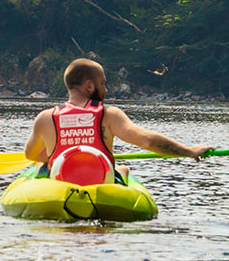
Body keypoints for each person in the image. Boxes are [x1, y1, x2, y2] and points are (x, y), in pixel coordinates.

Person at [25, 58, 208, 185]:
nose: (105, 90)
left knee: (42, 165)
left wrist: (51, 157)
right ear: (90, 86)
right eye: (102, 84)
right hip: (101, 182)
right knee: (123, 168)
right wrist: (189, 151)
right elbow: (148, 141)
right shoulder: (110, 115)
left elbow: (31, 154)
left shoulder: (45, 118)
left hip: (59, 184)